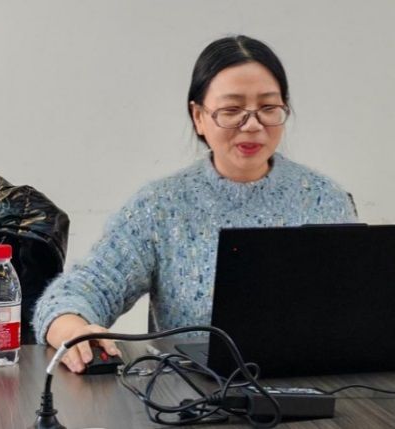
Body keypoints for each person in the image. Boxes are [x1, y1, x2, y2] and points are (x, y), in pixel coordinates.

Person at [32, 35, 357, 373]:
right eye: (232, 110)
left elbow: (360, 309)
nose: (252, 125)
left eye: (268, 108)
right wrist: (71, 328)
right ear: (198, 116)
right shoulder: (161, 206)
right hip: (191, 394)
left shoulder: (325, 199)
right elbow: (80, 291)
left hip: (318, 390)